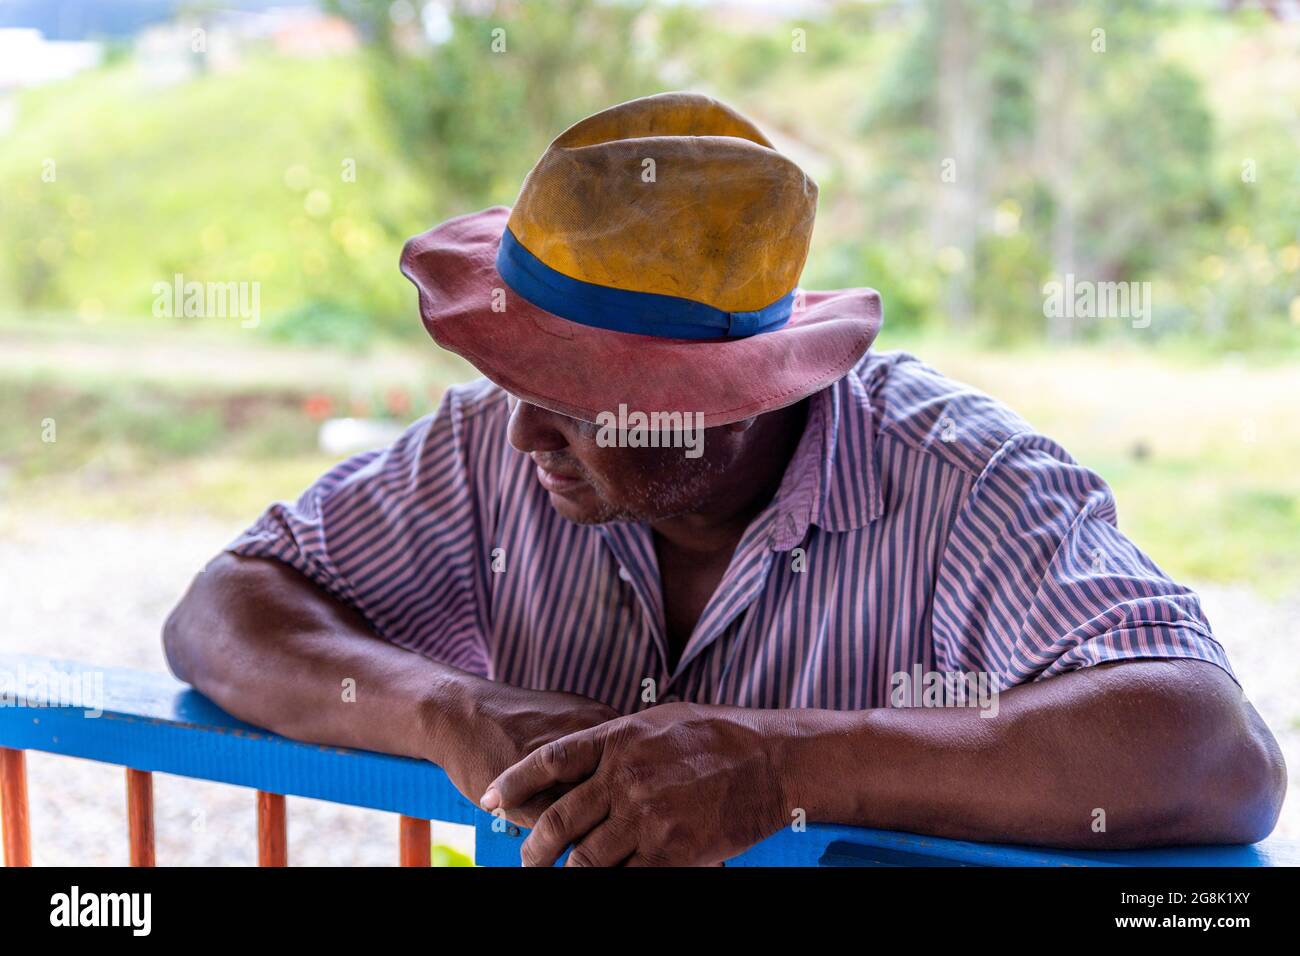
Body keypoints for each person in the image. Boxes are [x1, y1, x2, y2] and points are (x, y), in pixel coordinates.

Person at [163, 92, 1285, 867]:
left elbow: (1208, 747)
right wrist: (451, 708)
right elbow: (220, 612)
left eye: (578, 397)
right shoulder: (484, 450)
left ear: (739, 392)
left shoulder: (956, 478)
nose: (521, 437)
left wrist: (775, 765)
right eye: (517, 379)